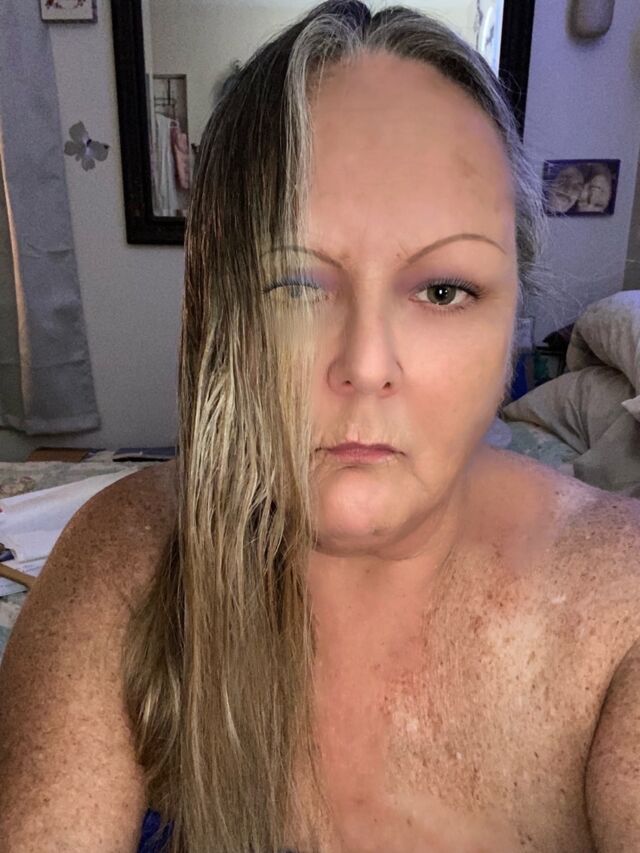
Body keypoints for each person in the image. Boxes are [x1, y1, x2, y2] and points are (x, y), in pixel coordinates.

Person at [1, 2, 639, 851]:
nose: (366, 364)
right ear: (218, 314)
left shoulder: (619, 613)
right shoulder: (126, 560)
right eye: (297, 285)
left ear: (511, 318)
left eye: (443, 290)